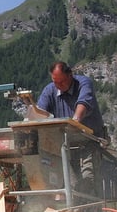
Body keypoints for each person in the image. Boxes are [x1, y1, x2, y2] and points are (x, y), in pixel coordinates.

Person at [37, 61, 106, 198]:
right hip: (66, 145)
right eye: (55, 82)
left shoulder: (83, 84)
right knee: (71, 186)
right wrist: (33, 119)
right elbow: (40, 113)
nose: (58, 86)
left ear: (70, 75)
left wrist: (75, 121)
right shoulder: (50, 90)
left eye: (61, 82)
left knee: (88, 180)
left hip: (88, 142)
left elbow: (83, 104)